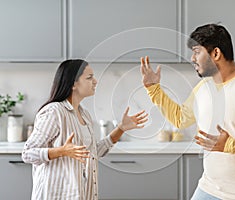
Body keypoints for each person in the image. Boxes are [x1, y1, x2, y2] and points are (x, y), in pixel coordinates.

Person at [140, 24, 235, 200]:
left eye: (197, 51)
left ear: (215, 53)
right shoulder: (203, 88)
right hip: (209, 189)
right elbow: (180, 118)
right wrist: (154, 89)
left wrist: (230, 145)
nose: (192, 58)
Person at [22, 59, 148, 200]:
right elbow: (27, 154)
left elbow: (92, 153)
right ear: (73, 83)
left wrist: (121, 129)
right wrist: (61, 151)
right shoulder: (54, 112)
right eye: (89, 77)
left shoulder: (84, 115)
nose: (95, 81)